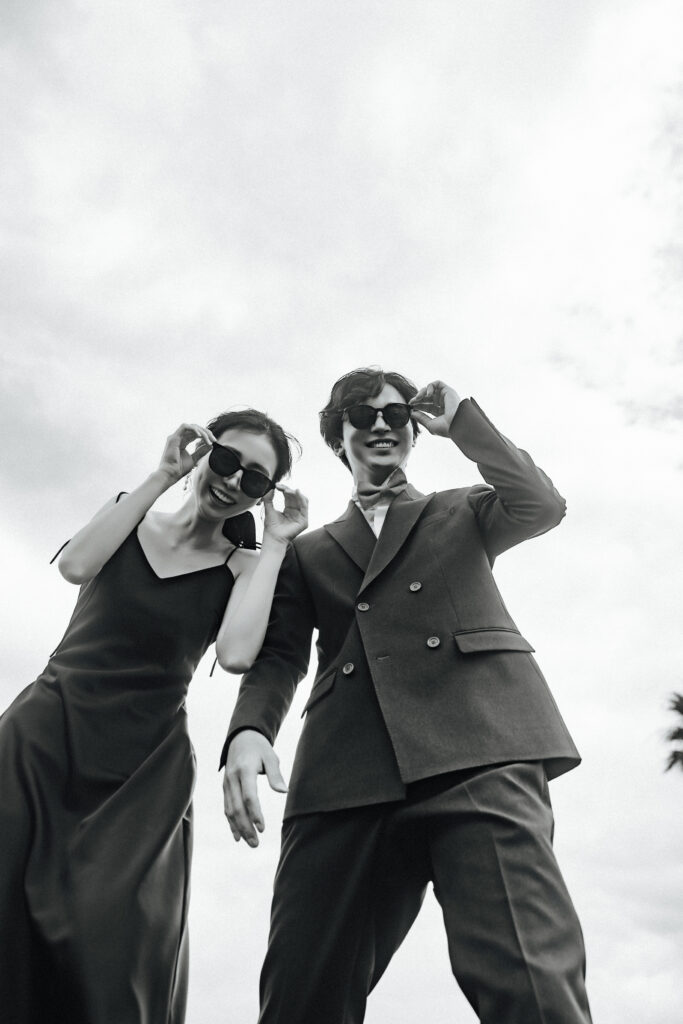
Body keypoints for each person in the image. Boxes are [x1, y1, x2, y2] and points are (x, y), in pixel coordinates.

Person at [222, 369, 593, 1024]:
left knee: (530, 987)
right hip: (343, 775)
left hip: (479, 750)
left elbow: (540, 504)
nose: (381, 426)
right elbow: (279, 656)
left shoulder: (462, 509)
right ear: (337, 437)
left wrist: (463, 423)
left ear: (413, 431)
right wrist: (250, 731)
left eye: (395, 415)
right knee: (300, 999)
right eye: (362, 416)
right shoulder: (308, 551)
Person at [0, 410, 308, 1024]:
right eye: (227, 460)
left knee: (114, 949)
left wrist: (275, 544)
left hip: (143, 770)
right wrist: (164, 474)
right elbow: (75, 566)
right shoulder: (130, 514)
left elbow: (236, 654)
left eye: (254, 479)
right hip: (43, 739)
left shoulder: (244, 566)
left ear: (263, 496)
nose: (232, 481)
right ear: (203, 453)